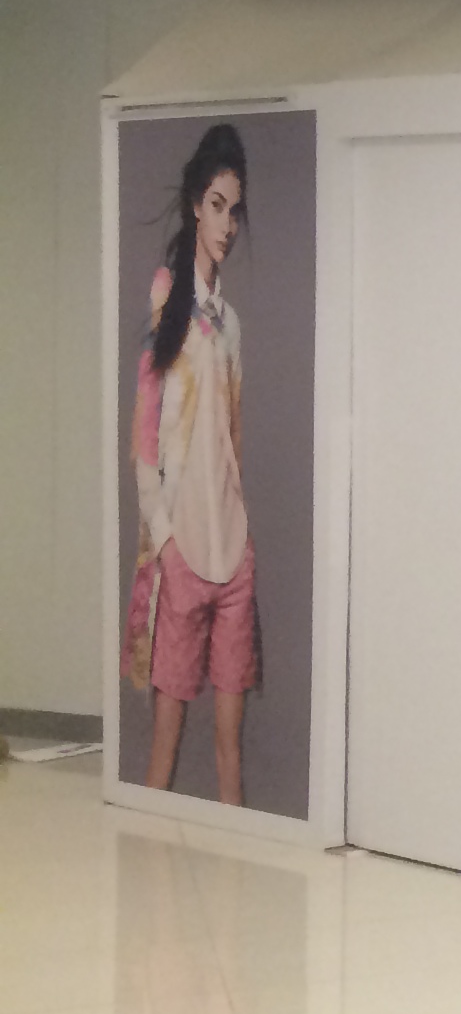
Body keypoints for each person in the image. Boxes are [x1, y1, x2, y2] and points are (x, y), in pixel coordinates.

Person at [129, 125, 255, 804]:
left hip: (233, 554)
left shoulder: (230, 324)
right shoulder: (166, 300)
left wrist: (242, 533)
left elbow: (233, 439)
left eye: (234, 209)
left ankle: (235, 875)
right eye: (216, 205)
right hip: (182, 555)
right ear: (194, 207)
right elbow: (144, 440)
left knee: (231, 748)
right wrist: (165, 539)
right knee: (165, 755)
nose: (227, 224)